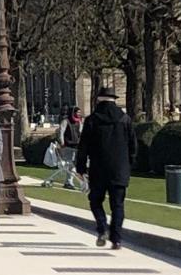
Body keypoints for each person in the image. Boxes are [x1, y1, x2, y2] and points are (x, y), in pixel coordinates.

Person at [76, 87, 137, 250]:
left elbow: (83, 147)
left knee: (95, 201)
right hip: (119, 169)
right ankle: (116, 238)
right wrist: (128, 165)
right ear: (114, 99)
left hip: (98, 168)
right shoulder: (125, 119)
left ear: (98, 100)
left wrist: (80, 168)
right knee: (118, 205)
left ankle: (102, 228)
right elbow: (133, 146)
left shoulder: (92, 120)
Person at [57, 106, 84, 190]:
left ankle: (69, 182)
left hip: (76, 145)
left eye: (79, 113)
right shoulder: (66, 121)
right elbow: (61, 132)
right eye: (77, 112)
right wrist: (62, 142)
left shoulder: (79, 122)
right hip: (68, 145)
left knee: (72, 165)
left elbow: (81, 132)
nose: (79, 114)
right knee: (70, 164)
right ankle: (69, 182)